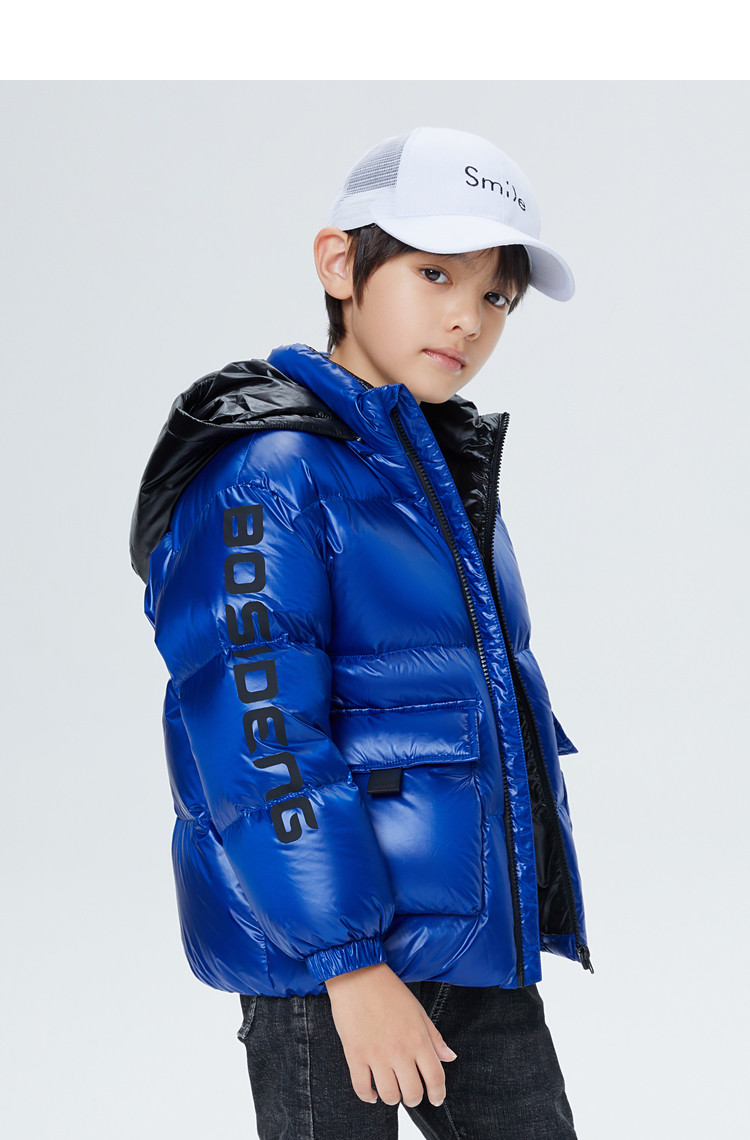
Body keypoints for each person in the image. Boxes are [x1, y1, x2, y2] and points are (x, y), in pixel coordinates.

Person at [130, 126, 592, 1139]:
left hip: (469, 946)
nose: (468, 317)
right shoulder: (270, 472)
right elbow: (259, 733)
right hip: (330, 975)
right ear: (341, 265)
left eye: (497, 297)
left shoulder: (434, 476)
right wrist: (350, 963)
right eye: (435, 274)